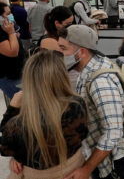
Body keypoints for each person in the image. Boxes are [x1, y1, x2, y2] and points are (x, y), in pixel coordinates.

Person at [58, 25, 124, 179]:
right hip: (101, 151)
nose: (60, 54)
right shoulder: (88, 68)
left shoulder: (100, 82)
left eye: (63, 48)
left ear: (81, 52)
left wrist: (87, 169)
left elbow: (113, 132)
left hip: (113, 157)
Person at [0, 50, 88, 179]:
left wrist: (12, 109)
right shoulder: (78, 104)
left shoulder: (20, 122)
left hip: (36, 174)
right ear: (62, 76)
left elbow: (6, 147)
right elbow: (83, 134)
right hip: (73, 166)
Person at [0, 2, 24, 99]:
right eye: (7, 14)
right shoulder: (6, 31)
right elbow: (12, 52)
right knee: (22, 105)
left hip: (18, 72)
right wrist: (11, 33)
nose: (10, 16)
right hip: (9, 76)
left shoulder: (6, 28)